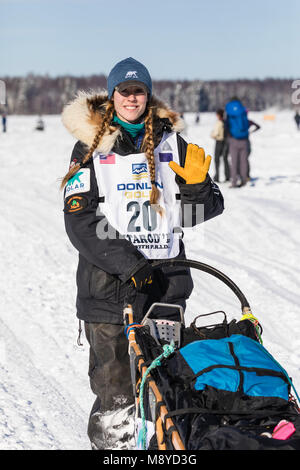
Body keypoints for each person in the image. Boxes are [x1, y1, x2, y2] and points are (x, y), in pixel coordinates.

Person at [60, 57, 224, 449]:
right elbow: (79, 221)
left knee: (167, 395)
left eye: (138, 91)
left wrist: (200, 188)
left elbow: (201, 209)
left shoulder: (172, 142)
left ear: (147, 95)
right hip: (109, 291)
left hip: (165, 291)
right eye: (124, 91)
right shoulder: (90, 146)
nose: (132, 98)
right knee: (117, 399)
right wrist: (130, 264)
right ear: (112, 95)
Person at [225, 97, 249, 188]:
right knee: (243, 162)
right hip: (244, 139)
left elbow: (226, 124)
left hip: (233, 139)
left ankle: (234, 182)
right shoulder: (243, 110)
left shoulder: (229, 110)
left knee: (234, 162)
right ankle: (244, 180)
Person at [210, 109, 230, 182]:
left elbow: (215, 133)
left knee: (217, 160)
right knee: (225, 159)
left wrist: (212, 134)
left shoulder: (218, 122)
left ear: (218, 115)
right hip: (226, 142)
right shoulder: (226, 122)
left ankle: (217, 176)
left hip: (219, 142)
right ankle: (227, 176)